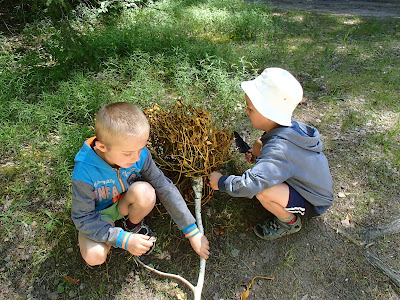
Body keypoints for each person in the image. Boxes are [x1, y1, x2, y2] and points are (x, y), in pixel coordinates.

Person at [71, 102, 210, 266]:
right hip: (98, 216)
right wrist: (122, 240)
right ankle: (120, 235)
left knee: (146, 192)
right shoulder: (84, 173)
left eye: (141, 149)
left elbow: (163, 186)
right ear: (102, 147)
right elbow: (83, 218)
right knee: (95, 256)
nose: (137, 158)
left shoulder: (139, 156)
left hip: (124, 202)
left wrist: (191, 230)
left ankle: (130, 226)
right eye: (128, 154)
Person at [209, 67, 334, 240]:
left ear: (268, 114)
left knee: (263, 191)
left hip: (313, 201)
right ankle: (282, 194)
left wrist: (222, 182)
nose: (246, 112)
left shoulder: (280, 149)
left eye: (250, 109)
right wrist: (259, 158)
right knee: (259, 145)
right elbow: (270, 151)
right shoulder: (289, 128)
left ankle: (289, 222)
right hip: (309, 182)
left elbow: (250, 185)